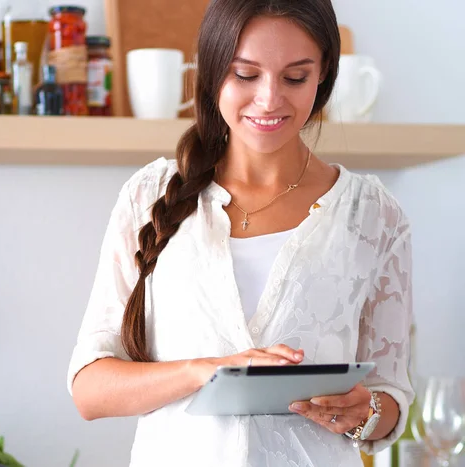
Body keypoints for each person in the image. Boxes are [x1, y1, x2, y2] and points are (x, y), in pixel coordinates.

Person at [68, 0, 414, 465]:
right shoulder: (148, 195)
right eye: (246, 75)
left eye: (295, 77)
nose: (270, 98)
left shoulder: (373, 215)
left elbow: (392, 396)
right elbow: (90, 389)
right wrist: (206, 371)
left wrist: (366, 411)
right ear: (212, 75)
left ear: (323, 76)